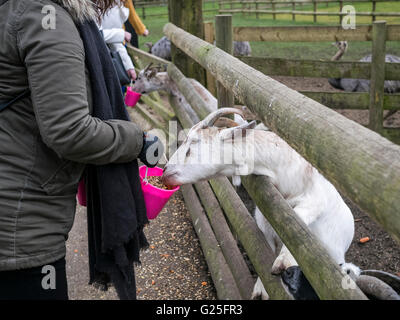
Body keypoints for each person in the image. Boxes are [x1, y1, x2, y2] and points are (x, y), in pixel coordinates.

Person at [0, 0, 163, 300]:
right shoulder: (44, 16)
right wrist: (137, 140)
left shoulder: (19, 8)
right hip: (21, 231)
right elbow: (70, 130)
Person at [101, 0, 147, 80]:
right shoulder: (105, 5)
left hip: (118, 44)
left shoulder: (116, 5)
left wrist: (128, 66)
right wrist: (122, 34)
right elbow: (96, 33)